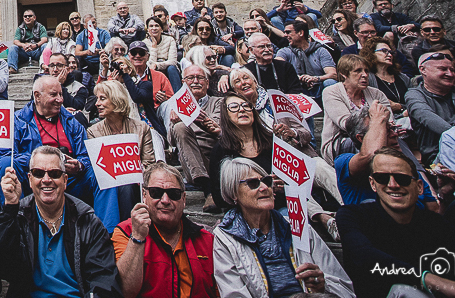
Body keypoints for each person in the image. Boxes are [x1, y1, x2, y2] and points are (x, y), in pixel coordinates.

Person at [337, 147, 455, 297]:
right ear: (373, 183)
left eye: (402, 179)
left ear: (419, 186)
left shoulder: (431, 222)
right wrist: (433, 281)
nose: (393, 185)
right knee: (406, 290)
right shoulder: (352, 216)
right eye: (382, 178)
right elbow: (365, 257)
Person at [0, 147, 120, 298]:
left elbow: (103, 280)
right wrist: (10, 207)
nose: (46, 180)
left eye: (54, 174)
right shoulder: (18, 217)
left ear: (65, 180)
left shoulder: (87, 221)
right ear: (29, 179)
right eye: (38, 173)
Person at [213, 157, 351, 298]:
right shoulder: (226, 238)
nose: (264, 187)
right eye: (253, 183)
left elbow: (345, 288)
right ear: (234, 193)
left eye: (266, 181)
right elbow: (234, 294)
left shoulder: (298, 228)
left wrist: (323, 286)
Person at [112, 162, 217, 298]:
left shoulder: (206, 240)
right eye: (156, 192)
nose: (165, 200)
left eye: (174, 193)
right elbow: (125, 292)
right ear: (144, 195)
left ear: (184, 199)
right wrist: (137, 237)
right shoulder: (125, 232)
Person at [6, 74, 97, 202]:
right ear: (37, 96)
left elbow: (86, 156)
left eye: (61, 94)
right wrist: (41, 161)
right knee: (6, 165)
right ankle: (14, 216)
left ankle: (107, 222)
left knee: (99, 173)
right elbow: (6, 156)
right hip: (33, 180)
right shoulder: (17, 121)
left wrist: (79, 165)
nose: (60, 100)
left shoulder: (72, 121)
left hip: (68, 181)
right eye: (54, 95)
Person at [87, 79, 154, 231]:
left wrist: (137, 170)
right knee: (123, 186)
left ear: (116, 100)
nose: (97, 103)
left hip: (139, 185)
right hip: (110, 189)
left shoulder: (141, 128)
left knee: (129, 185)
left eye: (102, 99)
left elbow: (150, 164)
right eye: (97, 99)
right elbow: (100, 170)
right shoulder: (93, 131)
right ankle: (121, 231)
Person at [406, 51, 455, 163]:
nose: (450, 74)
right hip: (440, 157)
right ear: (423, 70)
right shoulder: (414, 95)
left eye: (452, 70)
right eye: (443, 69)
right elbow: (427, 117)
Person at [168, 65, 223, 208]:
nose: (196, 81)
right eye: (190, 78)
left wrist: (192, 116)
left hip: (214, 158)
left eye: (200, 78)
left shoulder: (218, 102)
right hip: (189, 162)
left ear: (207, 82)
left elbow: (217, 129)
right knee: (179, 127)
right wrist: (175, 121)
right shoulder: (176, 105)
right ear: (183, 82)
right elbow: (171, 142)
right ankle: (208, 189)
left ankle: (208, 187)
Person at [321, 53, 389, 162]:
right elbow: (347, 124)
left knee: (394, 138)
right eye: (358, 71)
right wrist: (378, 122)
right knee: (364, 140)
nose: (365, 75)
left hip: (379, 135)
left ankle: (418, 174)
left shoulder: (377, 94)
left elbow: (390, 121)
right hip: (342, 141)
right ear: (344, 74)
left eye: (366, 71)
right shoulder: (331, 92)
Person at [120, 40, 173, 134]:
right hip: (130, 113)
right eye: (133, 53)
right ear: (128, 56)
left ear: (148, 56)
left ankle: (171, 140)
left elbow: (172, 101)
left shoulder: (159, 76)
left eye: (141, 53)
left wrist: (165, 100)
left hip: (155, 113)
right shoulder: (121, 76)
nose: (137, 56)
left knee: (167, 106)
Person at [276, 15, 338, 97]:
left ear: (301, 33)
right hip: (296, 91)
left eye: (288, 32)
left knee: (330, 82)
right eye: (284, 32)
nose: (285, 35)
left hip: (319, 88)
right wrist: (297, 78)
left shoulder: (320, 50)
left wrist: (315, 78)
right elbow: (278, 68)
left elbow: (333, 74)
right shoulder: (284, 52)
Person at [363, 35, 410, 110]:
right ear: (371, 53)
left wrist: (400, 107)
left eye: (391, 52)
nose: (389, 54)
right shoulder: (367, 78)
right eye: (384, 51)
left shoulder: (403, 78)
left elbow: (415, 102)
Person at [144, 17, 182, 93]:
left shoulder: (170, 40)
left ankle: (178, 96)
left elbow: (173, 61)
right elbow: (149, 64)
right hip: (153, 70)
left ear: (161, 29)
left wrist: (157, 65)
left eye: (157, 26)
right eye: (151, 26)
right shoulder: (145, 43)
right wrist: (154, 47)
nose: (154, 28)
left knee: (171, 68)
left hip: (168, 68)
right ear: (148, 29)